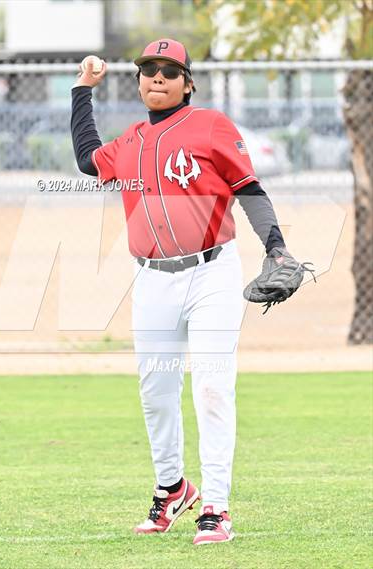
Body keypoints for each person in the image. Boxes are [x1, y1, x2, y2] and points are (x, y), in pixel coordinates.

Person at [71, 38, 290, 546]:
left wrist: (276, 247)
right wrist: (82, 91)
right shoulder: (128, 143)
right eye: (149, 69)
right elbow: (87, 161)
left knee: (211, 384)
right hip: (151, 277)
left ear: (187, 81)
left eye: (169, 70)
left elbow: (249, 189)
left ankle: (215, 505)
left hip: (211, 273)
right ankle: (172, 489)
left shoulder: (211, 125)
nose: (157, 78)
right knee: (156, 394)